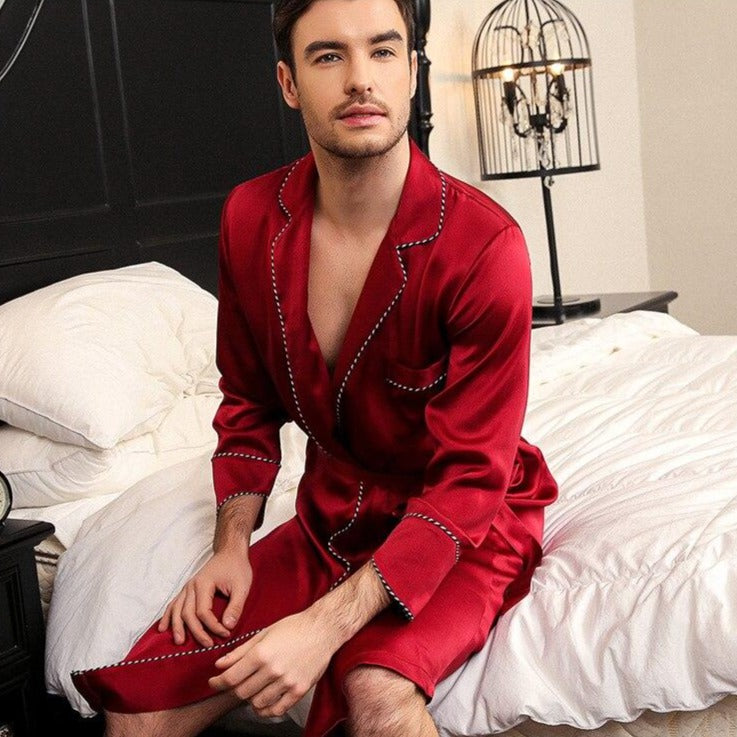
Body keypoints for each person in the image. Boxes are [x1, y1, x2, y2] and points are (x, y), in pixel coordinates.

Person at [71, 0, 558, 735]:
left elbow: (468, 480)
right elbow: (246, 404)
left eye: (383, 52)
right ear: (289, 83)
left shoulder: (485, 246)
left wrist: (323, 626)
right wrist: (230, 545)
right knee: (138, 710)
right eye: (329, 55)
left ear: (412, 71)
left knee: (373, 688)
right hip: (331, 517)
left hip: (467, 523)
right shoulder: (250, 219)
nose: (360, 78)